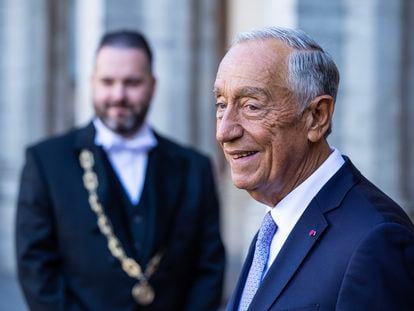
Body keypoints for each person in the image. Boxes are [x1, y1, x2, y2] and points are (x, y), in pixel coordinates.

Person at [16, 30, 225, 311]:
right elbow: (36, 268)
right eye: (107, 82)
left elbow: (209, 266)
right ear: (91, 83)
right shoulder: (45, 162)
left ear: (152, 85)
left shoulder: (194, 167)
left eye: (132, 82)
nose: (118, 95)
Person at [214, 26, 414, 311]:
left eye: (251, 106)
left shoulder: (376, 239)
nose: (225, 131)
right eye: (221, 104)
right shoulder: (276, 223)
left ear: (317, 117)